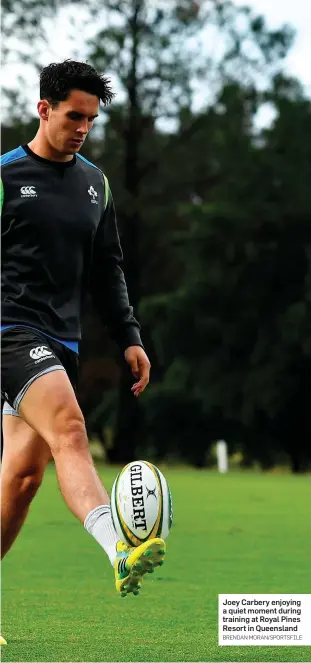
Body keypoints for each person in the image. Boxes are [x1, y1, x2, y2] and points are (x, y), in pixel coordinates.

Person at [0, 60, 166, 603]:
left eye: (91, 120)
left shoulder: (96, 183)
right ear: (43, 109)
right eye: (74, 116)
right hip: (11, 333)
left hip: (61, 342)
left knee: (22, 482)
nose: (82, 128)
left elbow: (107, 266)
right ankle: (121, 549)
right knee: (71, 429)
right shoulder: (4, 178)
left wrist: (130, 335)